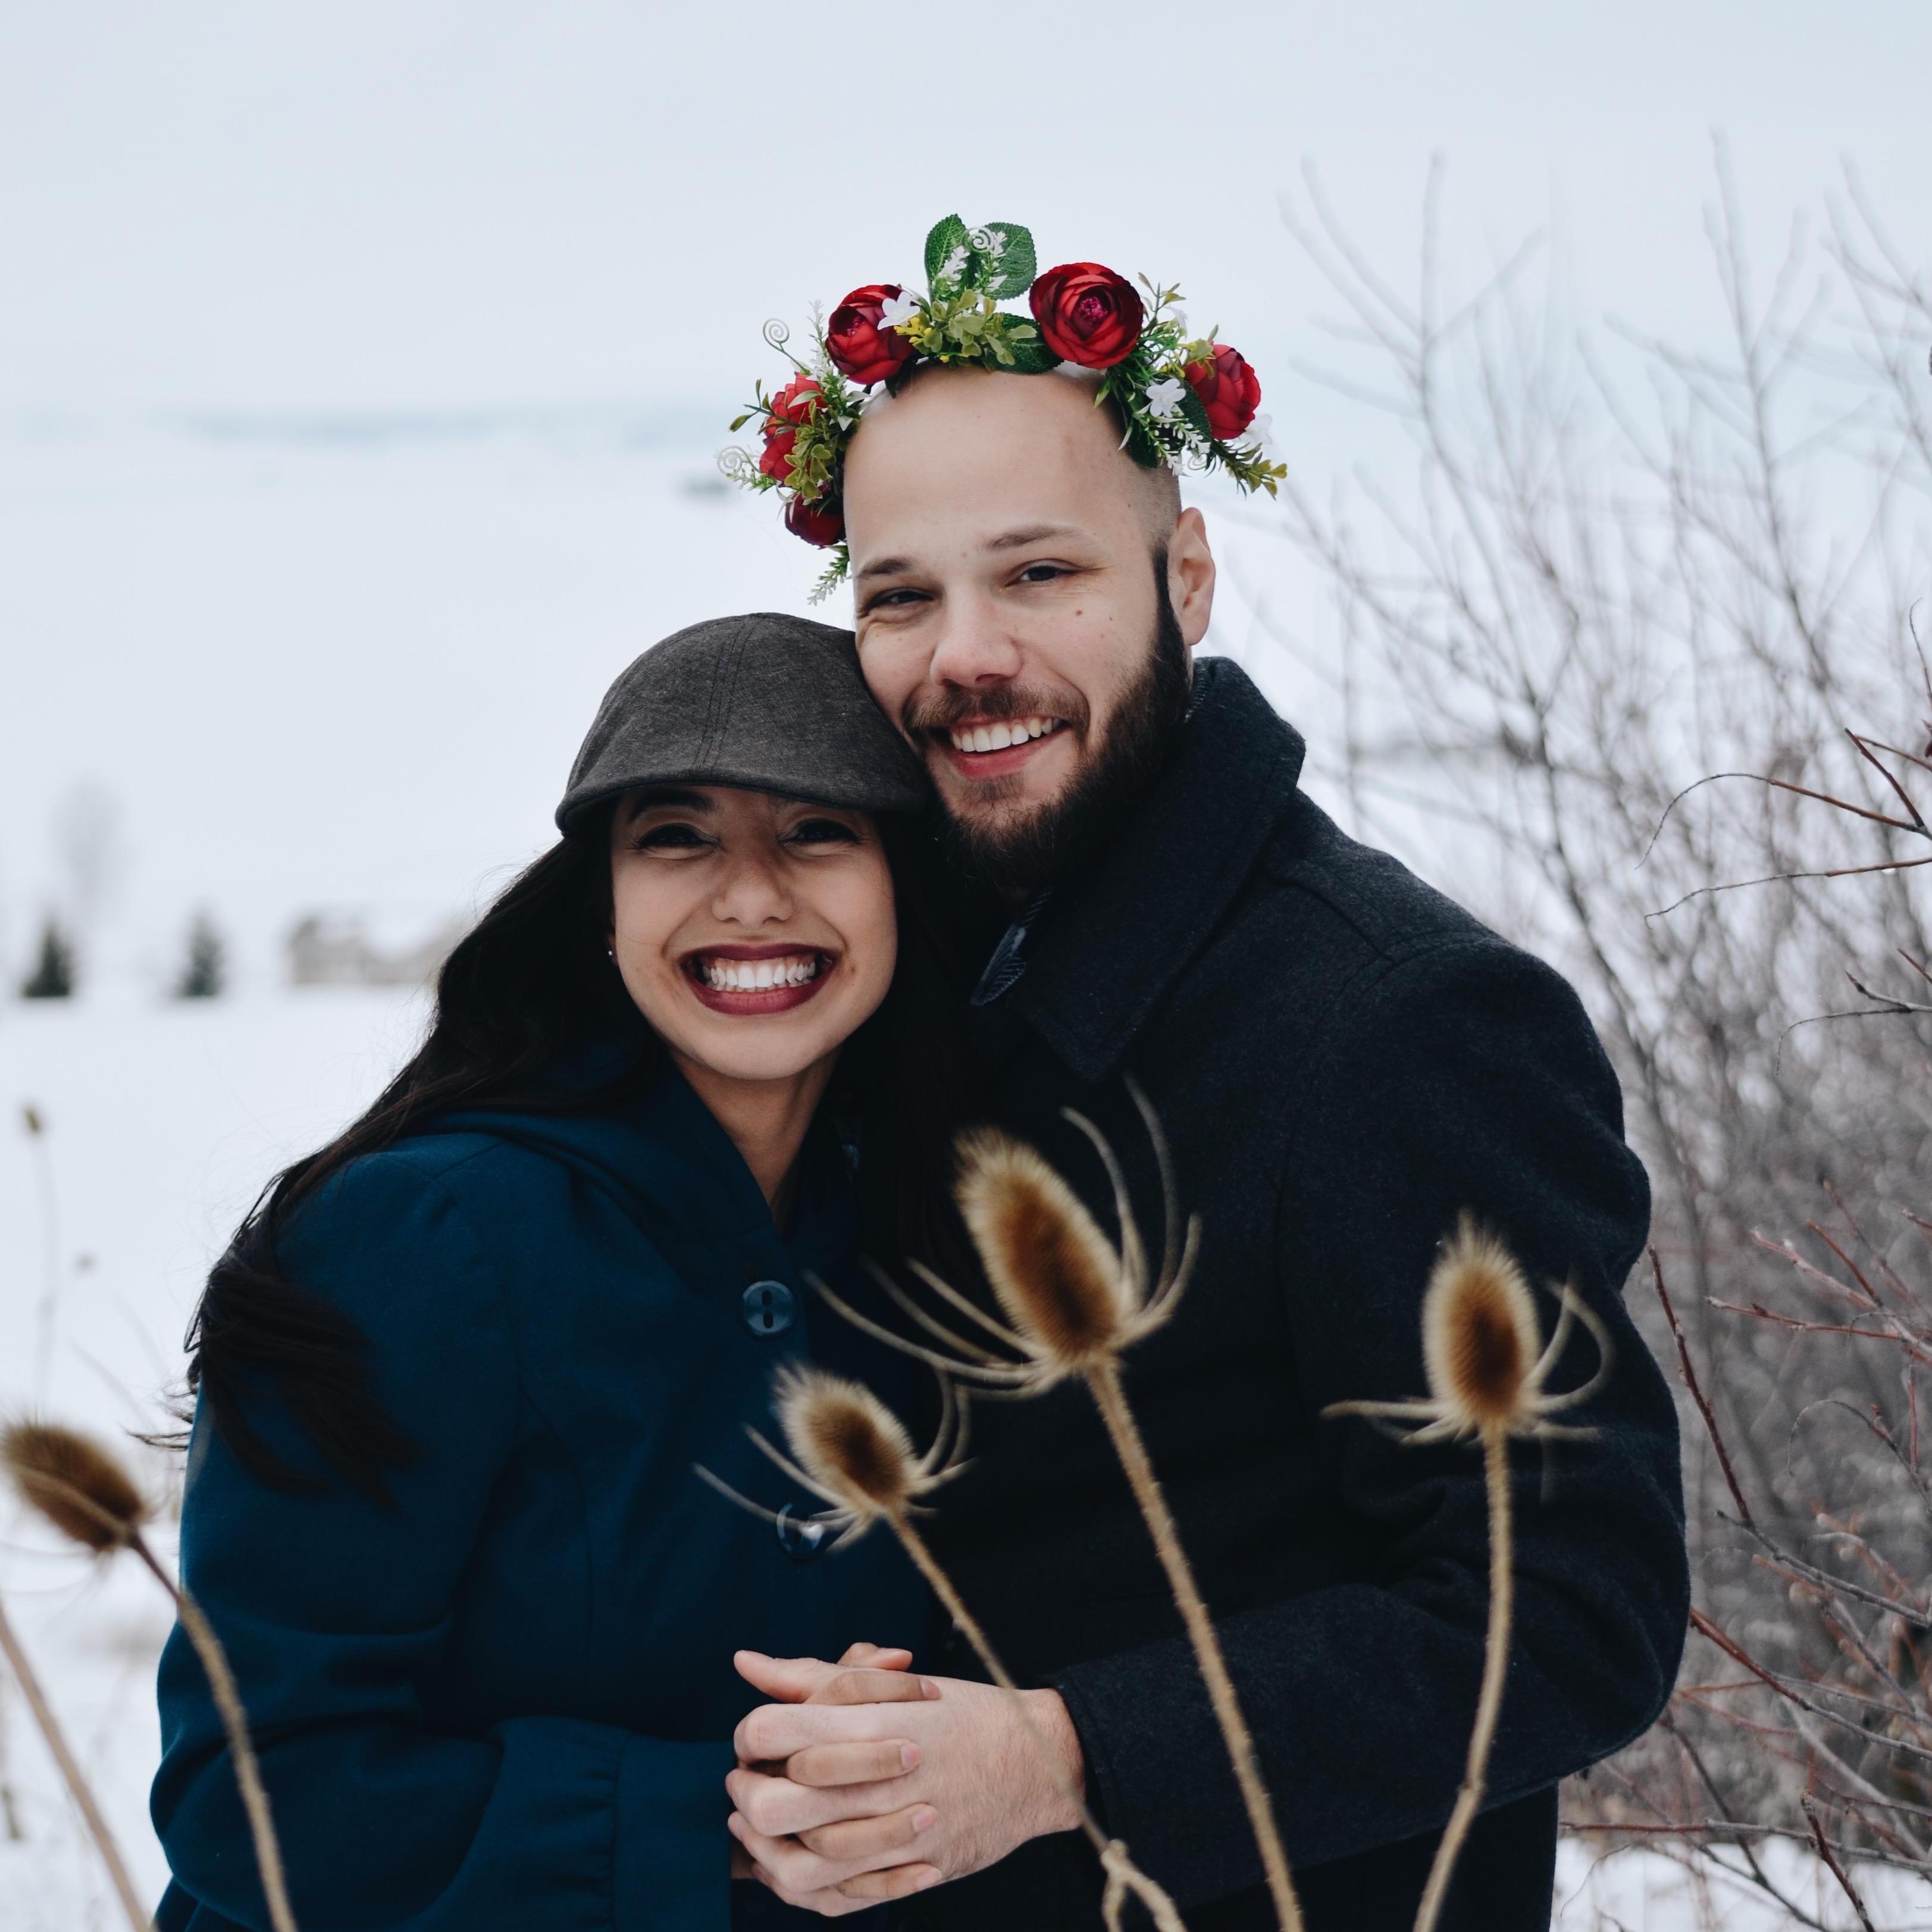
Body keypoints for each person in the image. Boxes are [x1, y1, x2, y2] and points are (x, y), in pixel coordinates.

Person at [718, 225, 1690, 1928]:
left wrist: (1061, 1754)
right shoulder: (869, 972)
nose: (965, 655)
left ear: (1183, 583)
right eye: (901, 595)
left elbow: (1570, 1615)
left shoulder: (1398, 1023)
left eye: (1039, 573)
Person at [151, 612, 971, 1931]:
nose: (751, 894)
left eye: (818, 830)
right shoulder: (417, 1238)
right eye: (677, 836)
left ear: (900, 883)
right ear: (602, 899)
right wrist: (716, 1817)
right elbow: (254, 1791)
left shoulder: (938, 1243)